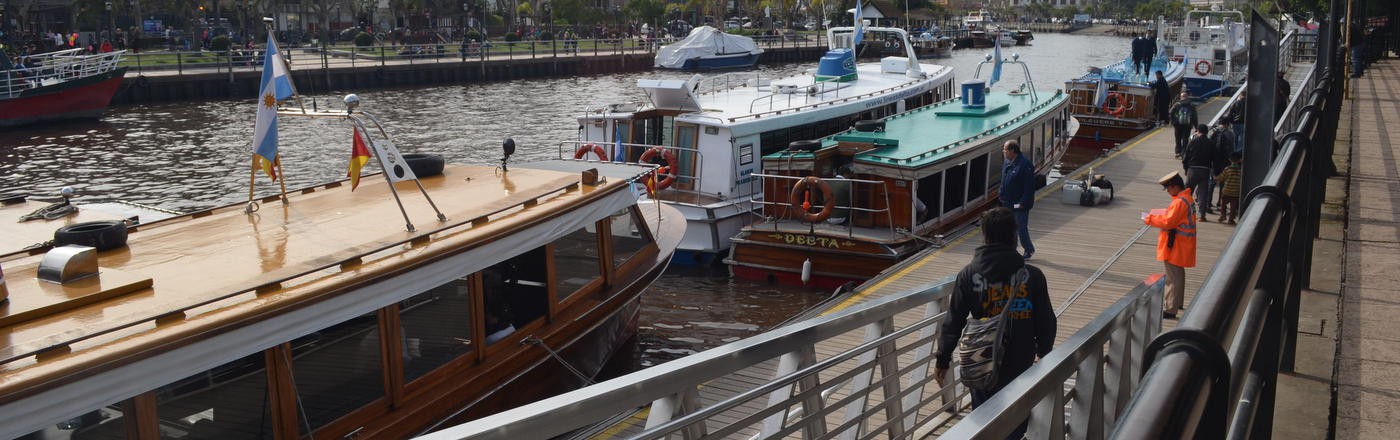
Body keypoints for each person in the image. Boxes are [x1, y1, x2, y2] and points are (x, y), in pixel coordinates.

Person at [934, 207, 1056, 439]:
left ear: (985, 236)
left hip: (982, 359)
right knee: (1018, 418)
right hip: (1021, 358)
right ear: (1014, 235)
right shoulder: (1033, 276)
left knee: (984, 419)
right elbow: (1045, 321)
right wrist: (1044, 353)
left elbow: (954, 320)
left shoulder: (968, 275)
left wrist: (942, 359)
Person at [1144, 172, 1197, 319]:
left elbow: (1169, 222)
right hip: (1183, 243)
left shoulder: (1180, 202)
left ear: (1175, 187)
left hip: (1176, 243)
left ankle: (1170, 308)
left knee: (1172, 277)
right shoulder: (1186, 198)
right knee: (1178, 274)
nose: (1168, 191)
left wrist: (1150, 218)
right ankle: (1177, 302)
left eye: (1168, 188)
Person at [999, 140, 1036, 260]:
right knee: (1009, 227)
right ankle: (1011, 250)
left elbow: (1029, 187)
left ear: (1012, 151)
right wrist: (1001, 193)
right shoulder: (1007, 162)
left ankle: (1029, 250)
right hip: (1007, 202)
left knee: (1021, 226)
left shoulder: (1025, 165)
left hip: (1019, 204)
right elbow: (1004, 179)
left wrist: (1023, 203)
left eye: (1005, 150)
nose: (1003, 152)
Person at [1183, 123, 1215, 218]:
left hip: (1192, 169)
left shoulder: (1193, 141)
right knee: (1203, 193)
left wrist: (1186, 168)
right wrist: (1215, 172)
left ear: (1198, 131)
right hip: (1205, 170)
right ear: (1207, 132)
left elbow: (1186, 156)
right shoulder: (1211, 143)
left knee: (1187, 192)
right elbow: (1215, 158)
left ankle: (1184, 211)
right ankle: (1202, 215)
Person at [1208, 121, 1234, 210]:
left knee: (1212, 182)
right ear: (1227, 124)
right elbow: (1231, 149)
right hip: (1225, 162)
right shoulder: (1230, 134)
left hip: (1214, 161)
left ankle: (1208, 202)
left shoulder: (1212, 131)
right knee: (1223, 183)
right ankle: (1220, 202)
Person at [1215, 152, 1243, 224]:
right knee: (1233, 207)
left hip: (1226, 191)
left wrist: (1216, 178)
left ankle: (1223, 216)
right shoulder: (1241, 170)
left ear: (1230, 160)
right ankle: (1231, 219)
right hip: (1236, 193)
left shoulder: (1227, 169)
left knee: (1223, 205)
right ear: (1240, 160)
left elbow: (1221, 177)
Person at [1169, 91, 1197, 158]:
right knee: (1185, 139)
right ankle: (1183, 153)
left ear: (1181, 97)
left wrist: (1172, 121)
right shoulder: (1191, 105)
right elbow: (1194, 116)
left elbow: (1170, 112)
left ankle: (1178, 152)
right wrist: (1196, 126)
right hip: (1187, 125)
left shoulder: (1177, 104)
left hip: (1177, 124)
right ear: (1187, 97)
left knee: (1178, 138)